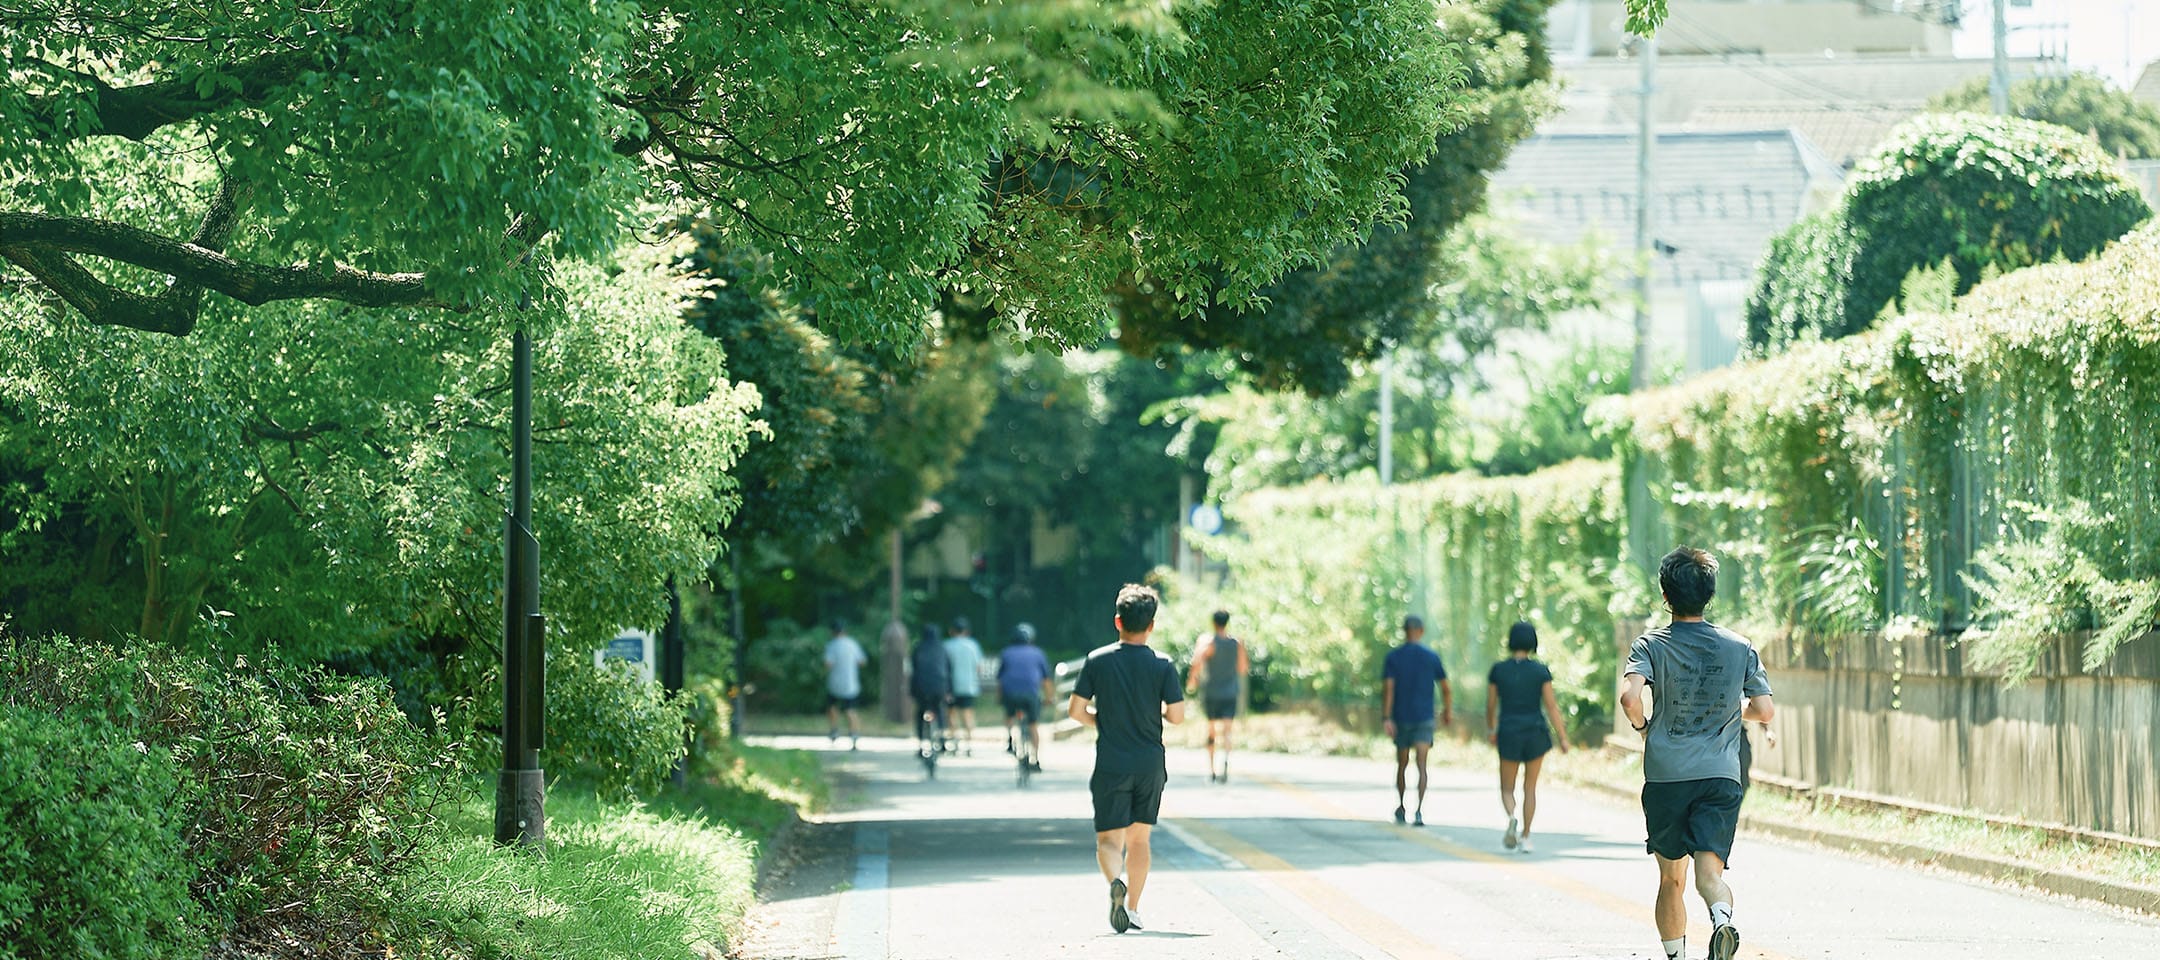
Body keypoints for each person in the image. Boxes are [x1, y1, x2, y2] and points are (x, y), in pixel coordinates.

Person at [1621, 546, 1776, 960]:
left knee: (1672, 879)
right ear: (1709, 594)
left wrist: (1643, 729)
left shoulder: (1650, 644)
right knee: (1710, 874)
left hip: (1667, 775)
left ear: (1665, 595)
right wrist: (1732, 707)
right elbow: (1764, 710)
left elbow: (1630, 698)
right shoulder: (1739, 646)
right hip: (1721, 776)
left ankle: (1677, 956)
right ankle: (1722, 918)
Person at [1069, 583, 1186, 934]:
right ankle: (1133, 908)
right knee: (1139, 840)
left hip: (1111, 761)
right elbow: (1178, 716)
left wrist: (1100, 721)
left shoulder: (1097, 660)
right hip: (1149, 763)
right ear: (1151, 625)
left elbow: (1076, 710)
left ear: (1117, 621)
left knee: (1108, 841)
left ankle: (1113, 883)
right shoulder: (1163, 665)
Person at [1485, 620, 1571, 853]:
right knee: (1530, 788)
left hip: (1509, 732)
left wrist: (1491, 729)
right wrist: (1562, 738)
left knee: (1506, 788)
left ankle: (1512, 816)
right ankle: (1525, 836)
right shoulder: (1540, 671)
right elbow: (1552, 706)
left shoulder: (1498, 670)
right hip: (1535, 732)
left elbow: (1491, 705)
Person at [1381, 614, 1451, 826]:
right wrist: (1447, 711)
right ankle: (1419, 810)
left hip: (1401, 717)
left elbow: (1389, 689)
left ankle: (1402, 806)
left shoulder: (1393, 657)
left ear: (1404, 631)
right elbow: (1446, 688)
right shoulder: (1431, 656)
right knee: (1422, 764)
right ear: (1421, 631)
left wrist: (1386, 717)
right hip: (1424, 717)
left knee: (1402, 764)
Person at [1185, 610, 1249, 784]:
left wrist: (1192, 681)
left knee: (1211, 729)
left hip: (1211, 691)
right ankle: (1226, 760)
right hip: (1230, 691)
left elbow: (1196, 661)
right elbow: (1243, 668)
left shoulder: (1207, 641)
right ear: (1227, 623)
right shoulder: (1237, 643)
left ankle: (1212, 770)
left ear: (1213, 623)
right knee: (1227, 730)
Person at [997, 622, 1055, 771]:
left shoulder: (1006, 652)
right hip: (1030, 695)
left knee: (1009, 714)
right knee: (1033, 725)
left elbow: (1001, 679)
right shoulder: (1038, 653)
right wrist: (1049, 698)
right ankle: (1035, 759)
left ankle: (1010, 738)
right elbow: (1046, 680)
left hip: (1010, 695)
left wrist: (1000, 697)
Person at [823, 619, 868, 750]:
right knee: (851, 710)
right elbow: (862, 662)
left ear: (832, 632)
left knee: (832, 707)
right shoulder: (853, 644)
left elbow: (828, 664)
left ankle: (834, 730)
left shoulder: (832, 645)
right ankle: (854, 735)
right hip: (851, 684)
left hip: (835, 684)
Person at [943, 617, 986, 755]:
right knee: (967, 715)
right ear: (966, 631)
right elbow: (979, 667)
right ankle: (969, 744)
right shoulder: (973, 646)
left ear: (952, 631)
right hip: (968, 686)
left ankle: (955, 742)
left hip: (951, 687)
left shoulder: (947, 646)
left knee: (951, 714)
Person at [910, 623, 953, 755]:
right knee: (939, 710)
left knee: (920, 712)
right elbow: (949, 670)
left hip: (921, 688)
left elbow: (914, 670)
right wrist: (949, 691)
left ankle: (921, 743)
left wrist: (912, 691)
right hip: (939, 687)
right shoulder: (942, 649)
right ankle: (941, 738)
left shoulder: (918, 648)